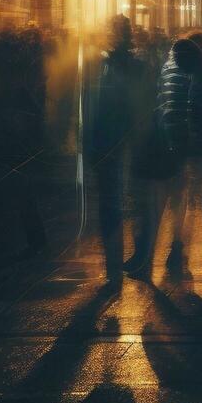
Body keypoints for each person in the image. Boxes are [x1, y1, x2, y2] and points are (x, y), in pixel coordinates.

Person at [156, 31, 202, 275]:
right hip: (197, 142)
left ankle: (177, 248)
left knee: (179, 197)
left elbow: (162, 101)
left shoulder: (168, 69)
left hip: (173, 140)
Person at [86, 16, 143, 291]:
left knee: (110, 206)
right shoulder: (137, 66)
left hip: (108, 143)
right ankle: (132, 259)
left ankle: (114, 268)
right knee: (131, 204)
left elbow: (93, 109)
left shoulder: (99, 67)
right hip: (126, 142)